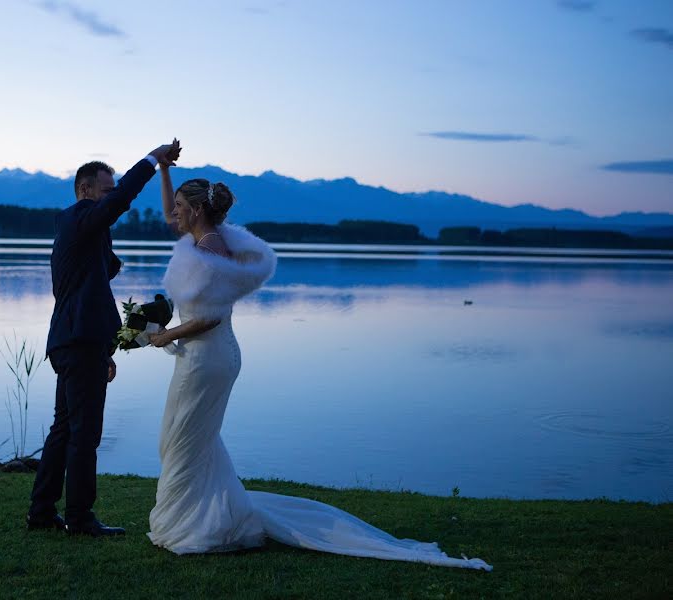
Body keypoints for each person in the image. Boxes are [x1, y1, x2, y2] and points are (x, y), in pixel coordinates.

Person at [146, 160, 492, 570]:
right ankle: (204, 514)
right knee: (183, 436)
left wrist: (164, 335)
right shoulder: (203, 241)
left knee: (186, 436)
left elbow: (213, 315)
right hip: (203, 356)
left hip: (208, 358)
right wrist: (163, 169)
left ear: (198, 211)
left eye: (182, 207)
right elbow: (172, 221)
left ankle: (205, 525)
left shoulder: (211, 249)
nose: (175, 214)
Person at [26, 141, 181, 537]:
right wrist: (152, 161)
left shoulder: (79, 232)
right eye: (106, 190)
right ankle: (79, 518)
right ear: (86, 191)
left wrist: (108, 345)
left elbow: (95, 281)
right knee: (84, 434)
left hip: (74, 341)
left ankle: (42, 513)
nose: (112, 197)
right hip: (78, 343)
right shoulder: (80, 221)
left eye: (111, 191)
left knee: (64, 429)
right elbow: (121, 201)